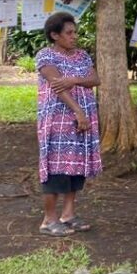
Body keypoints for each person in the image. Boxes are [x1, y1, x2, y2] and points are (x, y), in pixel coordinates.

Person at [35, 12, 102, 237]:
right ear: (55, 35)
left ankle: (68, 214)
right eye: (69, 33)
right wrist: (78, 111)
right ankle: (49, 219)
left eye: (75, 32)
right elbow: (57, 87)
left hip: (83, 119)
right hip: (58, 119)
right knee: (55, 168)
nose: (74, 36)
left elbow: (95, 80)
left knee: (77, 166)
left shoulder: (82, 56)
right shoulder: (45, 57)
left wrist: (74, 79)